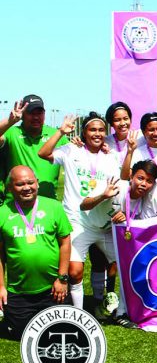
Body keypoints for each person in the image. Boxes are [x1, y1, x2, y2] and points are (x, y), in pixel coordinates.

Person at [38, 114, 121, 312]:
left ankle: (109, 302)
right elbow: (43, 153)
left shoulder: (111, 157)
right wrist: (61, 132)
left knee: (120, 262)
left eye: (101, 130)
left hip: (103, 222)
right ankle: (79, 314)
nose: (97, 134)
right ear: (84, 132)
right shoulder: (71, 149)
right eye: (92, 130)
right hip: (76, 221)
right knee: (75, 272)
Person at [0, 166, 72, 339]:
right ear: (10, 187)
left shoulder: (54, 207)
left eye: (30, 182)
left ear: (37, 184)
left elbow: (65, 242)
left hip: (52, 289)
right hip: (19, 292)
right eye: (20, 184)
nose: (26, 187)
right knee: (23, 335)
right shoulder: (2, 213)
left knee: (62, 331)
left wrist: (62, 279)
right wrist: (1, 287)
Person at [106, 160, 157, 328]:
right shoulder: (118, 187)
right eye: (140, 178)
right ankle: (108, 301)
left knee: (128, 266)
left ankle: (122, 311)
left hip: (115, 235)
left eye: (149, 181)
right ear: (131, 176)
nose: (144, 184)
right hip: (95, 229)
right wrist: (103, 196)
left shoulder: (148, 199)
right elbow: (84, 204)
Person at [0, 95, 68, 199]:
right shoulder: (12, 133)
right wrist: (10, 121)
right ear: (22, 114)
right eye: (31, 113)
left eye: (39, 113)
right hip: (15, 205)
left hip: (48, 203)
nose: (36, 117)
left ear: (44, 114)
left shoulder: (56, 135)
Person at [121, 112, 157, 178]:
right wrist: (129, 152)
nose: (156, 133)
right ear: (144, 132)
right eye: (151, 130)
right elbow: (124, 177)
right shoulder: (138, 152)